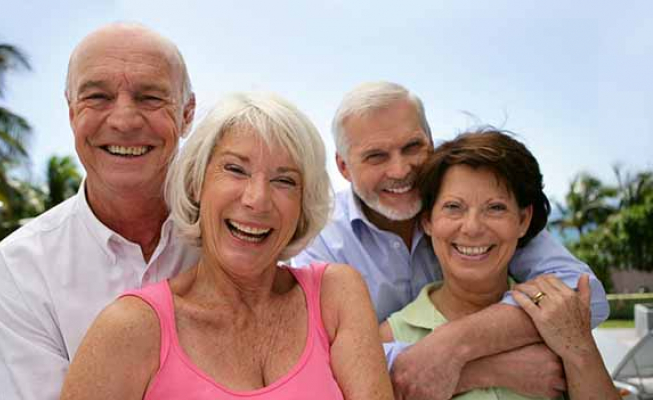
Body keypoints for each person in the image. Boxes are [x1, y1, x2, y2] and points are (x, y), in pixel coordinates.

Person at [59, 92, 393, 400]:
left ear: (303, 204)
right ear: (197, 183)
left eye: (284, 180)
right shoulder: (131, 327)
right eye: (235, 169)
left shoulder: (336, 295)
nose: (257, 200)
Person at [293, 81, 610, 399]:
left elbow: (585, 294)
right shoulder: (320, 239)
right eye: (376, 156)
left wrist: (457, 341)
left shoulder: (470, 201)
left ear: (430, 142)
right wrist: (485, 369)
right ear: (344, 166)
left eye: (412, 147)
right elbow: (316, 363)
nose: (401, 169)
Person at [0, 23, 199, 400]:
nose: (124, 121)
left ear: (187, 114)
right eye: (97, 97)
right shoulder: (17, 272)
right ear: (71, 112)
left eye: (150, 98)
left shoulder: (236, 237)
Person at [381, 129, 618, 399]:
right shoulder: (390, 337)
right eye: (453, 207)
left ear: (523, 220)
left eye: (495, 208)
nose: (472, 228)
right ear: (428, 222)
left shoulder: (557, 314)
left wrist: (578, 350)